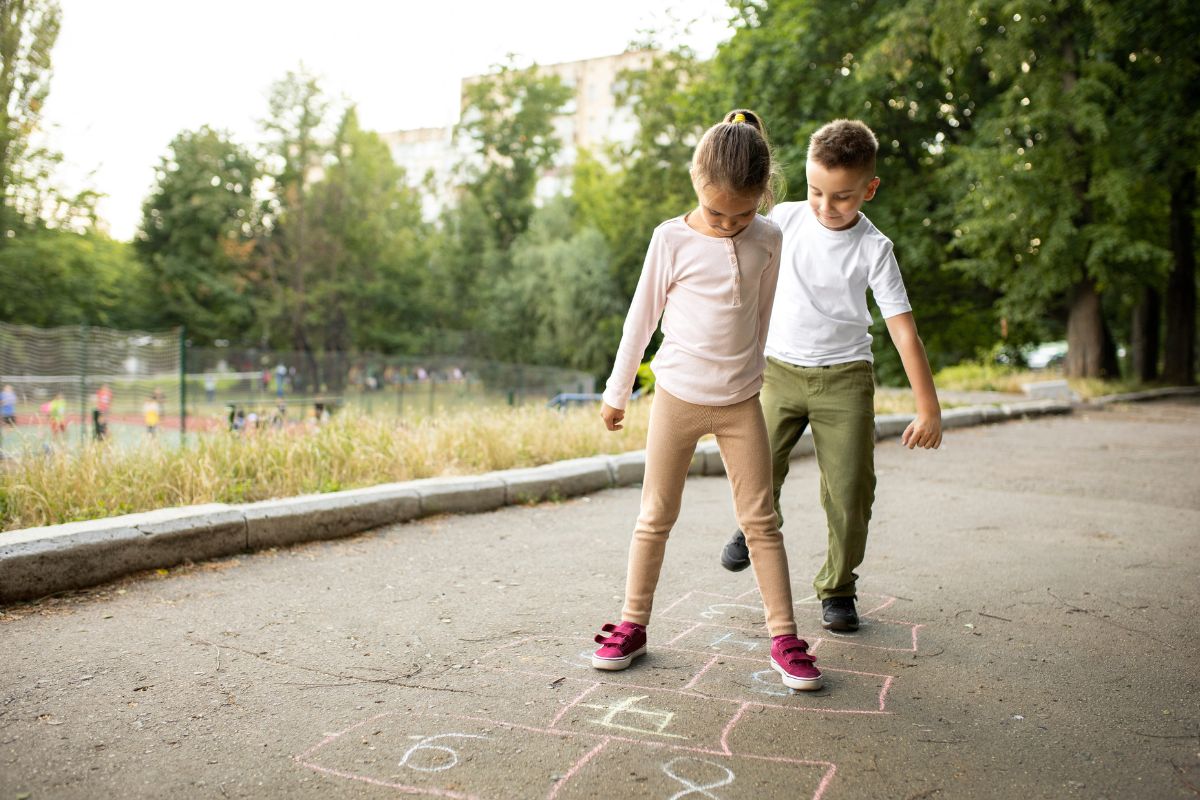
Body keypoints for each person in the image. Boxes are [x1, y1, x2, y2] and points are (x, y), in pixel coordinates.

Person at [592, 109, 822, 692]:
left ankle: (784, 635)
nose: (727, 224)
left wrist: (759, 376)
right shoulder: (670, 238)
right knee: (655, 517)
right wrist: (618, 391)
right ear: (696, 180)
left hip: (741, 400)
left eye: (741, 213)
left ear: (763, 197)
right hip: (676, 396)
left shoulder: (769, 236)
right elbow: (639, 320)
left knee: (761, 521)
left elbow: (764, 314)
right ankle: (633, 624)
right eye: (716, 211)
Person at [718, 119, 943, 633]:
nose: (825, 206)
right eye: (816, 190)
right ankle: (751, 526)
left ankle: (838, 587)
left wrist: (928, 408)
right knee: (758, 468)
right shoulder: (784, 219)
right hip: (777, 370)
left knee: (850, 490)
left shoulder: (875, 249)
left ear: (870, 189)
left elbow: (904, 333)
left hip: (844, 378)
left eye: (842, 197)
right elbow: (729, 232)